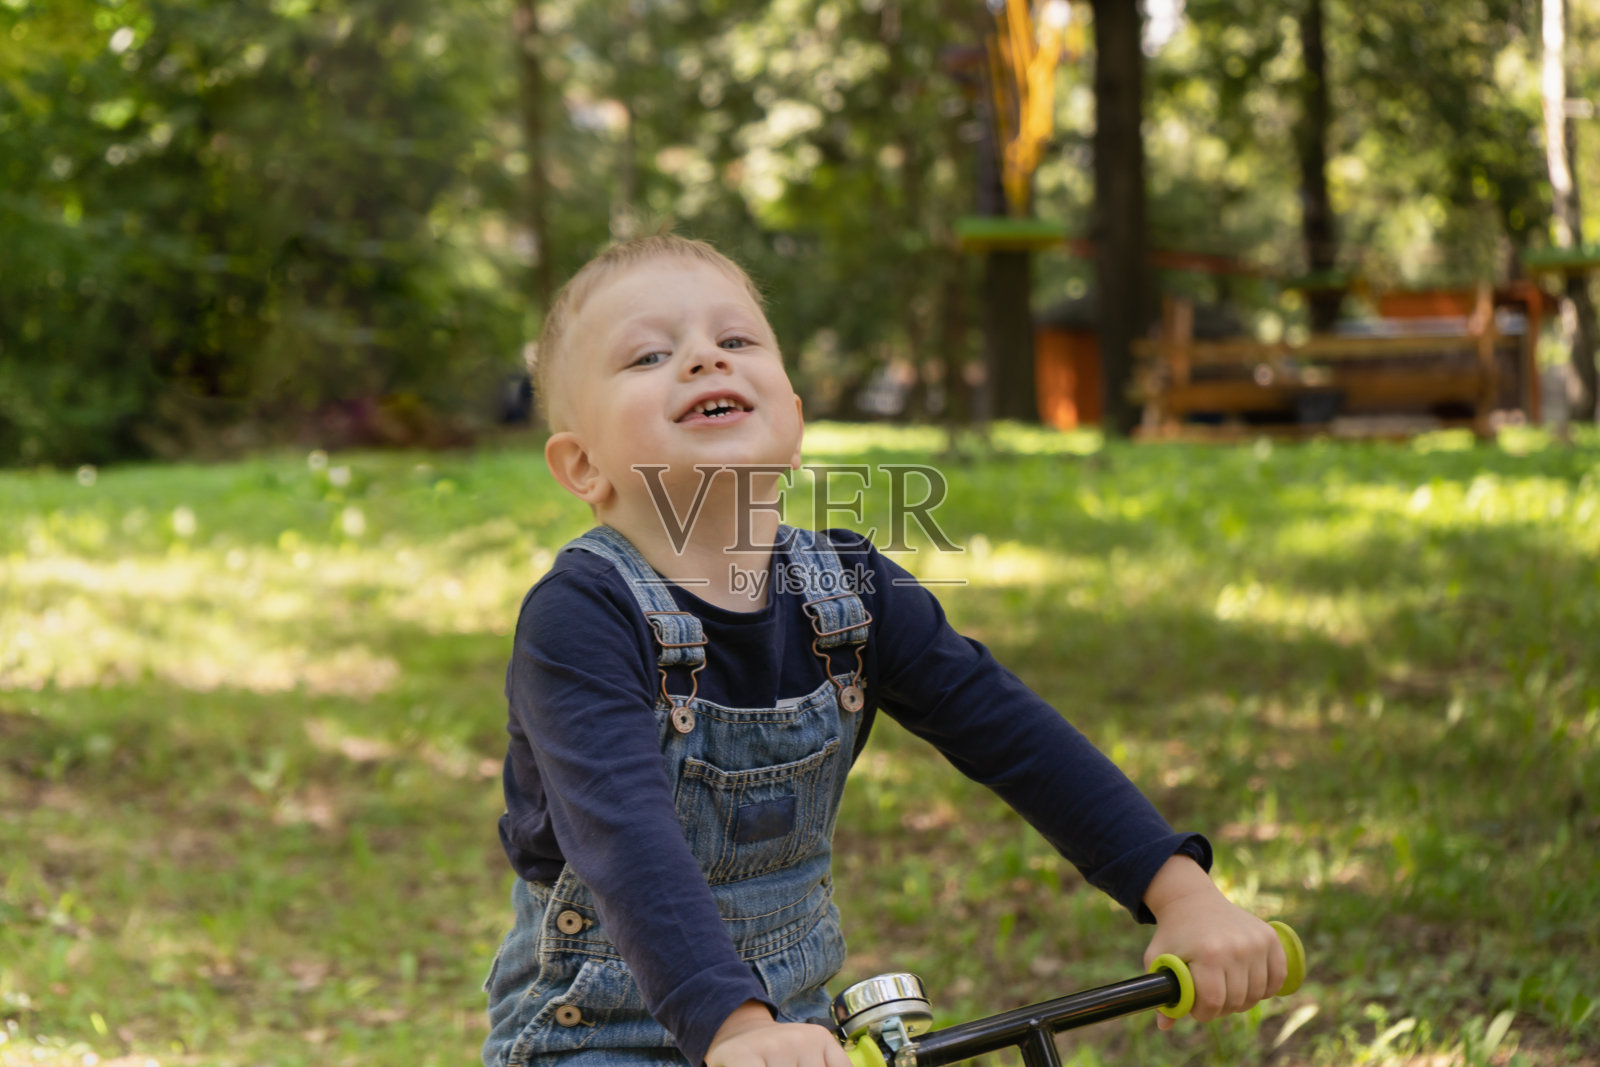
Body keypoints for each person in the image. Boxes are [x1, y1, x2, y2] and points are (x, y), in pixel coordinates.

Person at [482, 233, 1287, 1067]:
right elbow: (623, 837)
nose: (700, 360)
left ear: (793, 420)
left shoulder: (851, 591)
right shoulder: (581, 616)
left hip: (789, 1033)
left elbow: (1013, 734)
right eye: (650, 353)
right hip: (600, 1035)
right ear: (582, 466)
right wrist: (736, 1027)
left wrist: (1180, 891)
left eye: (735, 341)